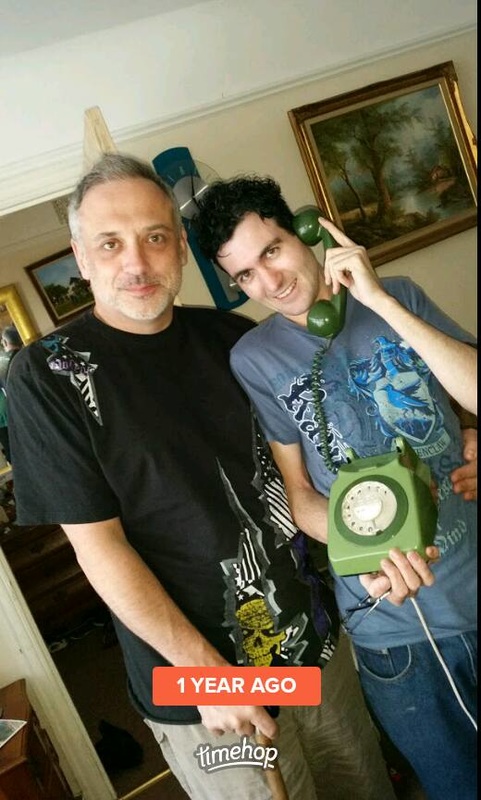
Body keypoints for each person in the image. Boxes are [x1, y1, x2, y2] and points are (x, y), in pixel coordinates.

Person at [7, 153, 397, 800]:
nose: (137, 263)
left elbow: (308, 471)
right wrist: (209, 675)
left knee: (361, 787)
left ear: (182, 249)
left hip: (311, 645)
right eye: (110, 243)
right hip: (198, 687)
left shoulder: (234, 338)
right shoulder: (47, 374)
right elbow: (98, 549)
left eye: (156, 237)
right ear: (80, 257)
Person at [194, 175, 478, 800]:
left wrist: (378, 300)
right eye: (245, 276)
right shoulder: (254, 358)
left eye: (272, 251)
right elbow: (298, 494)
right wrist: (370, 550)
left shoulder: (398, 295)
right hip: (398, 632)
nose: (270, 284)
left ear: (307, 231)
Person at [0, 325, 23, 463]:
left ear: (5, 342)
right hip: (17, 413)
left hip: (7, 416)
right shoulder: (29, 355)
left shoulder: (3, 364)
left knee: (14, 454)